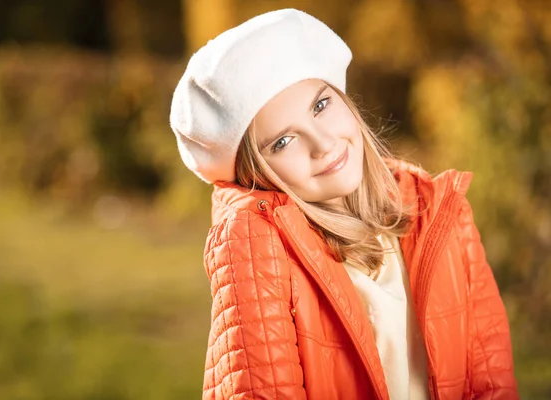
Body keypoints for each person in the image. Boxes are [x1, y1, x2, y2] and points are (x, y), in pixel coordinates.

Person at [170, 8, 518, 400]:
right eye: (283, 142)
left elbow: (491, 380)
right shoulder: (257, 251)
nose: (323, 144)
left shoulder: (437, 211)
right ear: (255, 174)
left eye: (320, 106)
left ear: (343, 98)